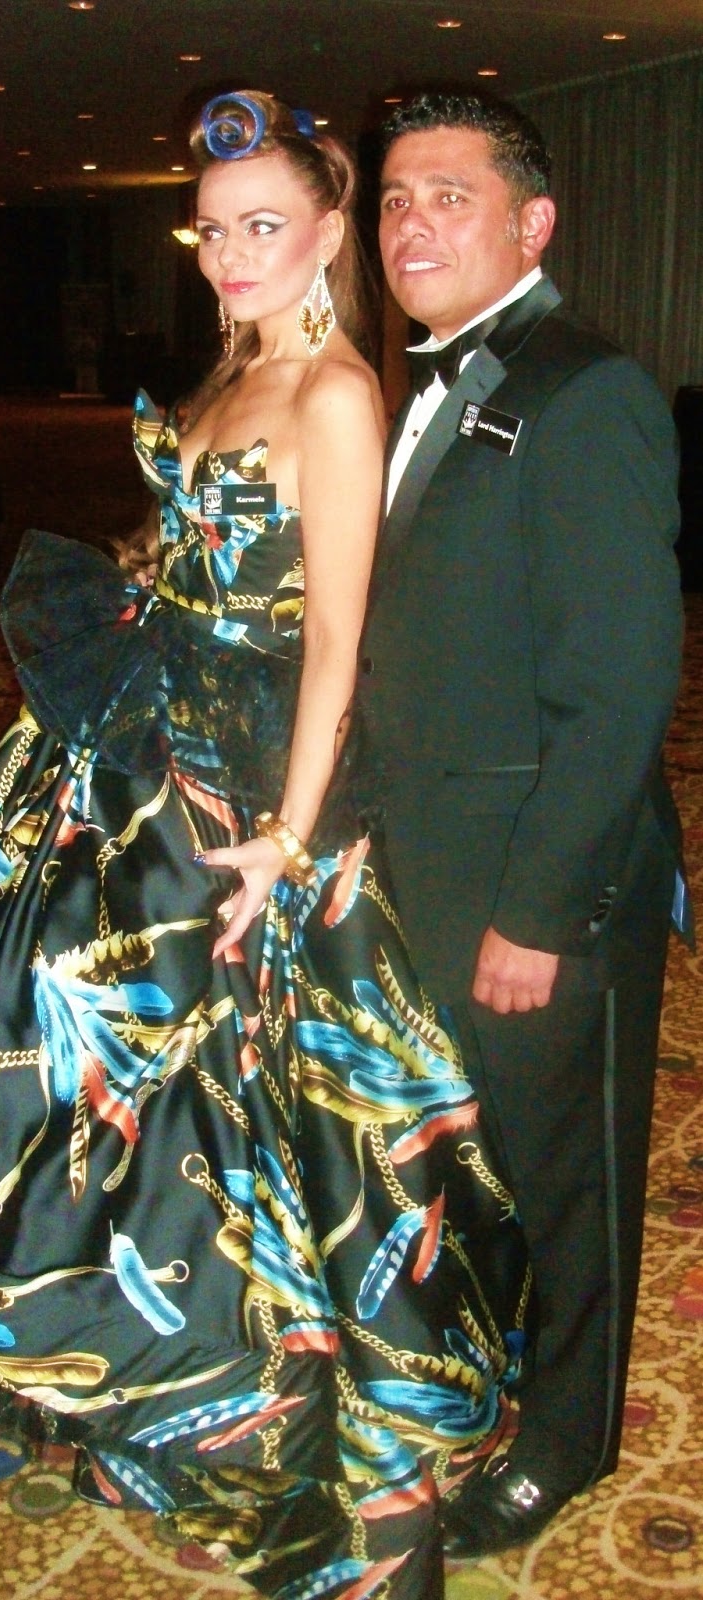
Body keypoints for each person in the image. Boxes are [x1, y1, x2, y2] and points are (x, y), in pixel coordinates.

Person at [0, 92, 531, 1599]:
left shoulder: (334, 393)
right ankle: (93, 1348)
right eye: (210, 229)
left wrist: (290, 841)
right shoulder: (235, 367)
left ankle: (302, 1423)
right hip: (139, 765)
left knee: (242, 1106)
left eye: (264, 226)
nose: (229, 254)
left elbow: (337, 644)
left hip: (245, 799)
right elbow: (194, 550)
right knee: (89, 1069)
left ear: (329, 232)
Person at [356, 89, 687, 1560]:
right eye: (393, 200)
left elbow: (617, 690)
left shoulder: (586, 390)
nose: (410, 223)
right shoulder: (424, 383)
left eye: (449, 195)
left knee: (567, 1176)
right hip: (426, 854)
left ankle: (569, 1437)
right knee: (469, 1147)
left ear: (532, 224)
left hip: (543, 880)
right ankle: (483, 1366)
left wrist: (539, 913)